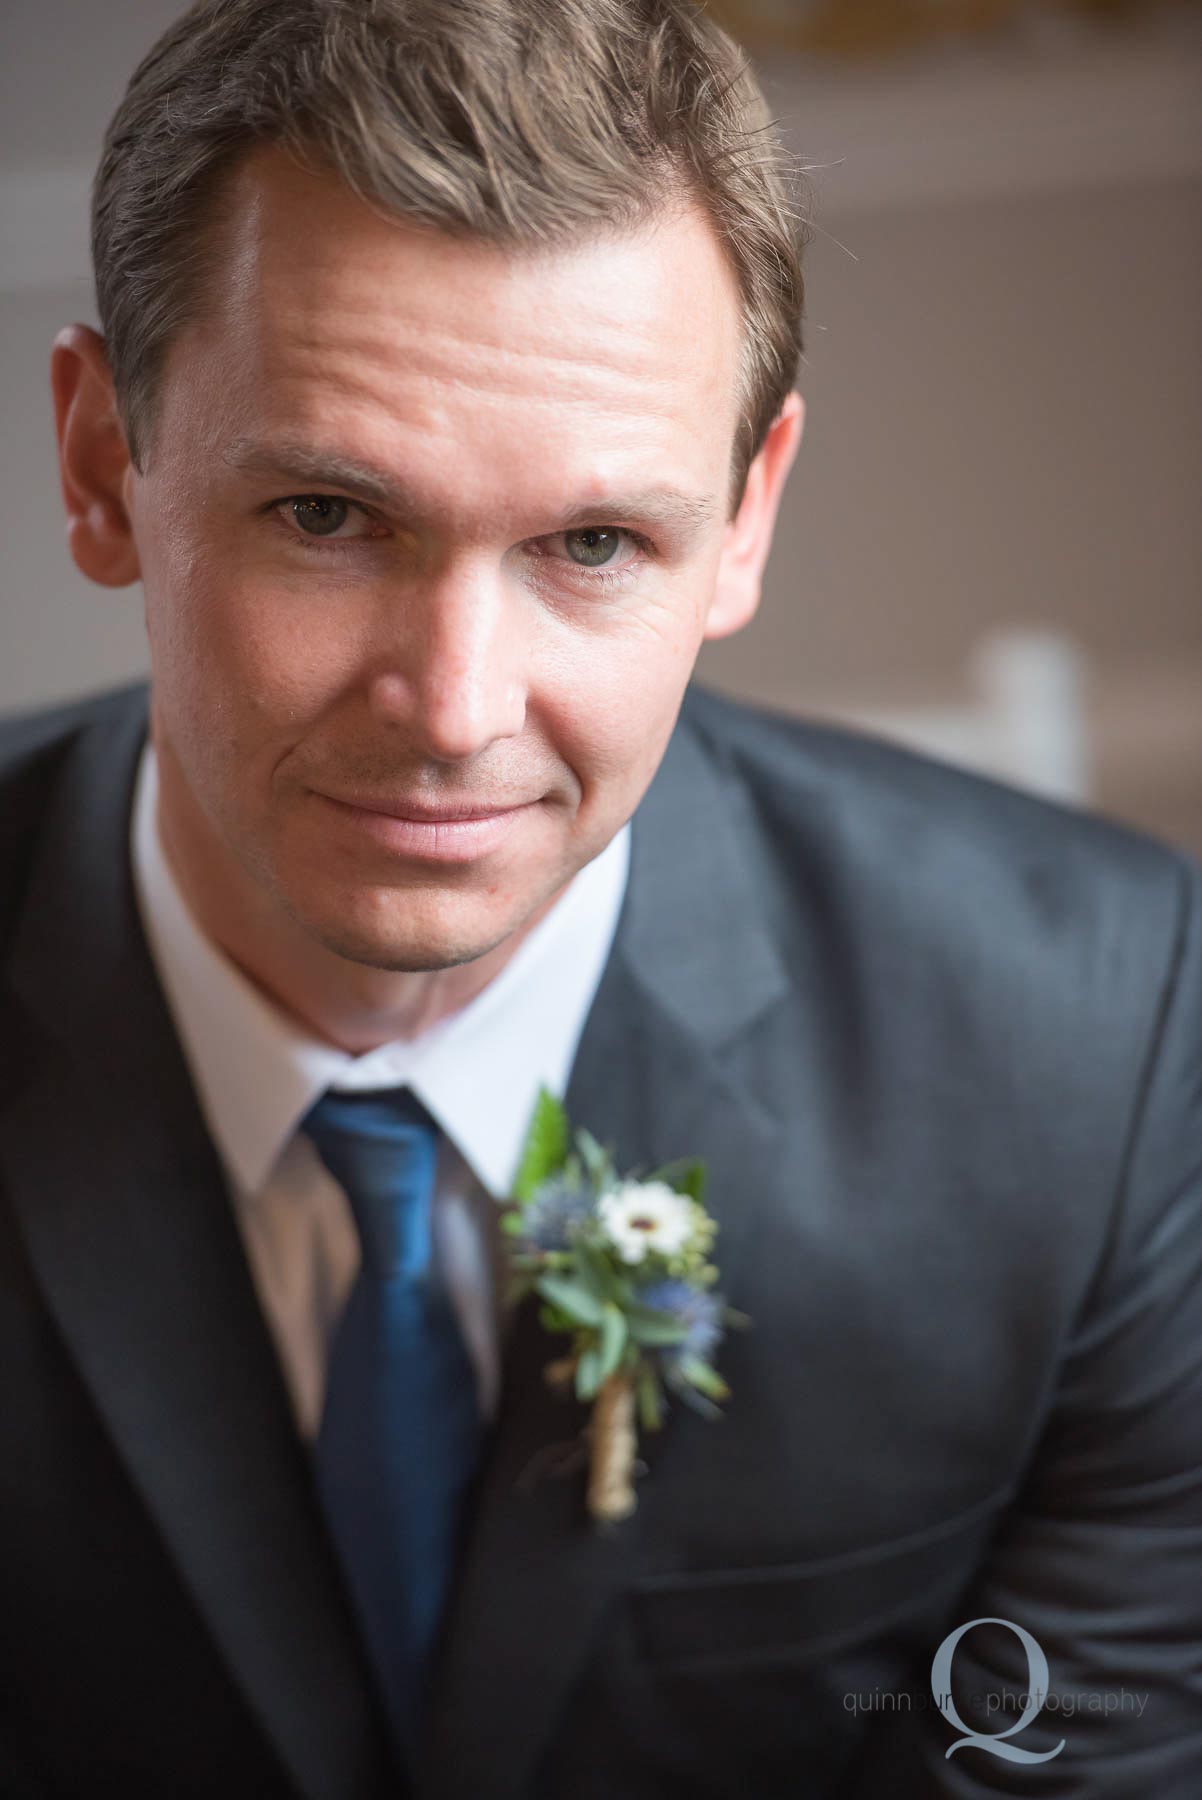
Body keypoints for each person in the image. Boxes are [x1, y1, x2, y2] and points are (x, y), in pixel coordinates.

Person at [1, 1, 1199, 1795]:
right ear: (105, 464)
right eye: (329, 515)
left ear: (745, 520)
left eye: (590, 545)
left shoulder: (1094, 1038)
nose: (456, 710)